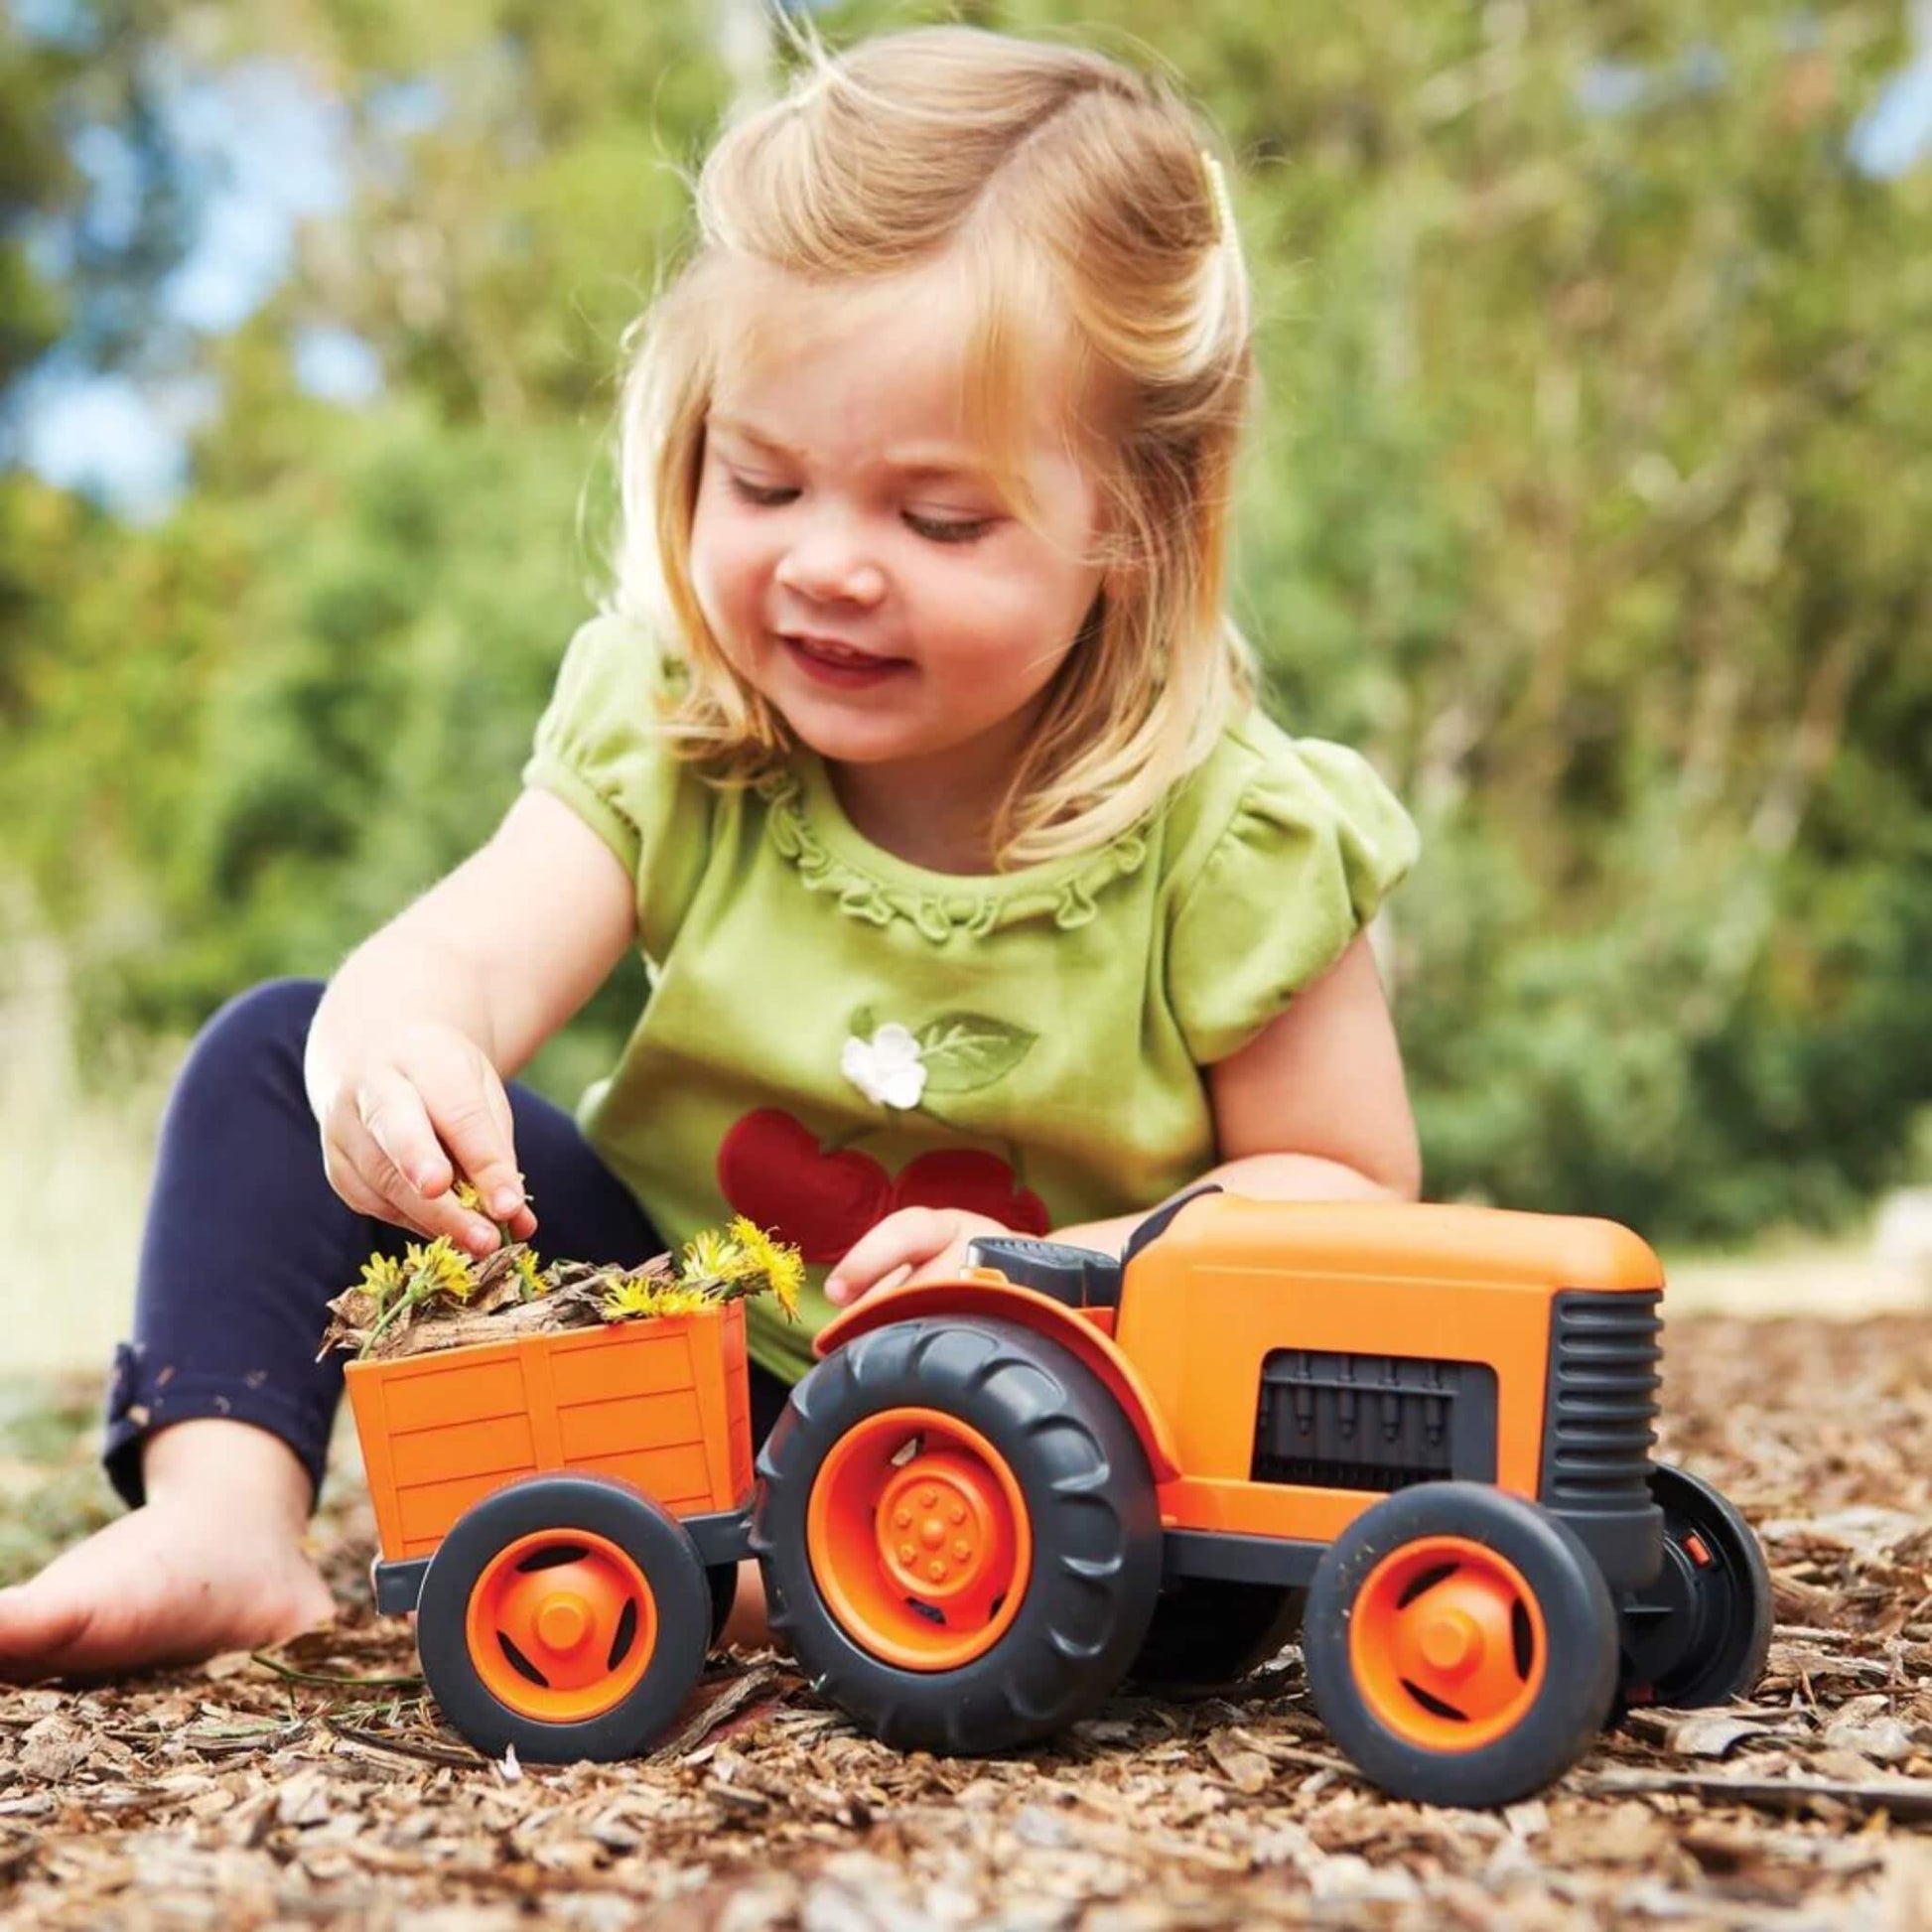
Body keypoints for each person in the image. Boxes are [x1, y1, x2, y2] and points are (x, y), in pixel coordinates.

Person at [0, 21, 1421, 1683]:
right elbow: (466, 951)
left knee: (1190, 1551)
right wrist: (400, 1061)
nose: (826, 564)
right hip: (689, 1360)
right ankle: (229, 1516)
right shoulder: (682, 730)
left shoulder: (1226, 827)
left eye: (937, 518)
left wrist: (1056, 1271)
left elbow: (1345, 1188)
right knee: (275, 1053)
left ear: (1138, 521)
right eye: (761, 480)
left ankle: (788, 1575)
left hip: (1062, 1429)